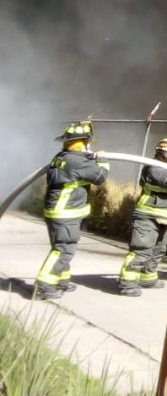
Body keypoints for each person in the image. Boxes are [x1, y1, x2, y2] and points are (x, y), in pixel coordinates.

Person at [35, 121, 110, 300]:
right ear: (83, 142)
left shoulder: (62, 157)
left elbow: (76, 171)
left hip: (57, 211)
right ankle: (44, 286)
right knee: (64, 250)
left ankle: (61, 281)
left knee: (60, 247)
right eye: (87, 141)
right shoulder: (77, 161)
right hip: (66, 213)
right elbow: (100, 177)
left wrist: (88, 158)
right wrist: (103, 161)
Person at [118, 138, 167, 297]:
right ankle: (127, 283)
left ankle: (147, 277)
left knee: (159, 249)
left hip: (161, 217)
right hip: (148, 215)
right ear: (159, 152)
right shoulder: (154, 167)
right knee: (141, 250)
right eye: (166, 154)